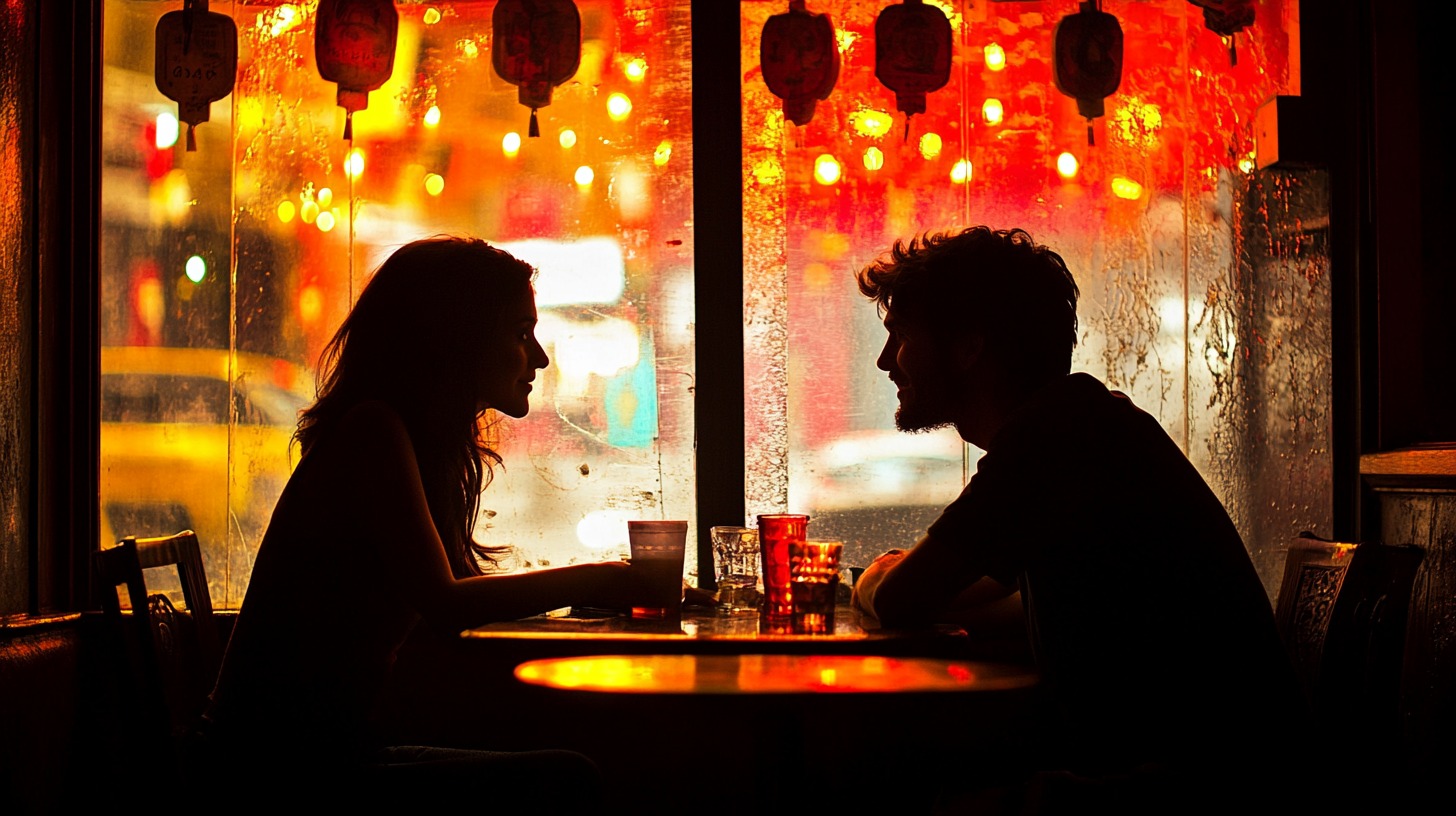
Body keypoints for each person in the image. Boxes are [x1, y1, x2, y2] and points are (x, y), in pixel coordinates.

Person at [850, 227, 1305, 813]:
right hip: (1224, 775)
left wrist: (876, 575)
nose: (887, 362)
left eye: (901, 338)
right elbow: (1013, 598)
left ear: (968, 346)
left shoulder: (1054, 440)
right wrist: (921, 588)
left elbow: (897, 599)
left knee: (886, 804)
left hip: (1192, 798)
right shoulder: (1085, 425)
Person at [198, 236, 644, 810]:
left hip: (308, 759)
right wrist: (604, 580)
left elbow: (452, 598)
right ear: (456, 338)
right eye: (519, 333)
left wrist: (602, 586)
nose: (539, 356)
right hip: (275, 779)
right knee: (568, 780)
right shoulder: (373, 433)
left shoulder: (394, 435)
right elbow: (447, 602)